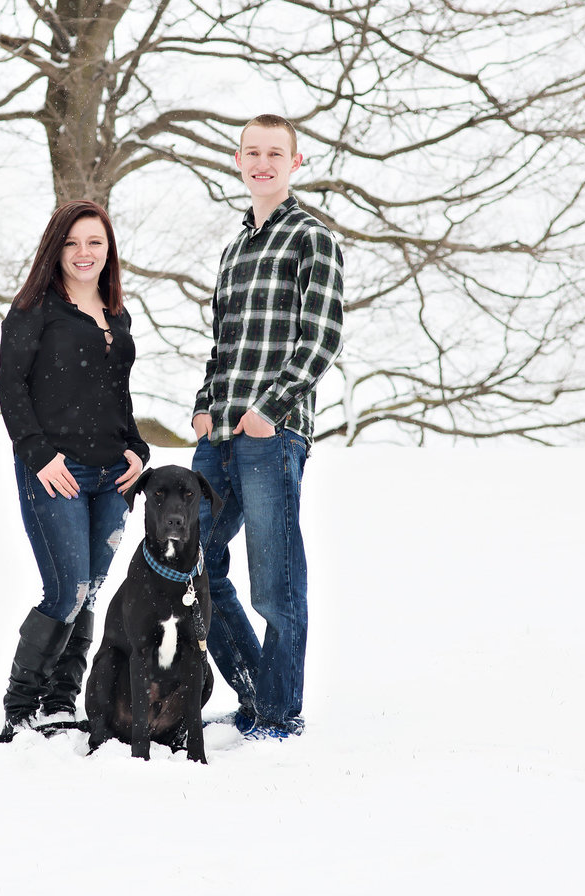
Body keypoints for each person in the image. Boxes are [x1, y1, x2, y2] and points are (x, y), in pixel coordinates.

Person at [191, 113, 344, 740]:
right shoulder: (233, 250)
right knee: (195, 565)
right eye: (252, 152)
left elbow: (322, 340)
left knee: (275, 583)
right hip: (219, 434)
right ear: (236, 159)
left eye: (274, 153)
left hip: (271, 435)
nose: (262, 163)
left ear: (295, 162)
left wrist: (269, 412)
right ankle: (259, 692)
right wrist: (205, 404)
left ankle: (280, 716)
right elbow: (221, 345)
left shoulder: (312, 238)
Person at [0, 199, 150, 735]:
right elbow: (11, 388)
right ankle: (21, 707)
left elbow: (117, 394)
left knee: (89, 592)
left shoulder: (118, 314)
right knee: (64, 591)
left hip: (113, 478)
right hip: (55, 471)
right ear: (55, 248)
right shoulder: (33, 310)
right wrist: (38, 454)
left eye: (96, 243)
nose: (85, 253)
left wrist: (138, 449)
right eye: (73, 243)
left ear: (109, 250)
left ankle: (62, 700)